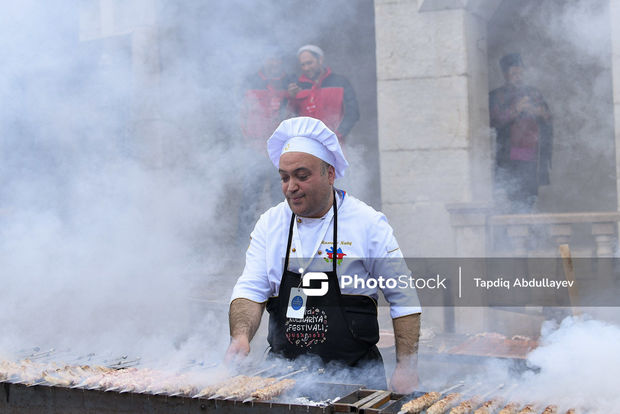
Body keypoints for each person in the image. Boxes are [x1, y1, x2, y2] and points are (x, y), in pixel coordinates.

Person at [226, 116, 421, 393]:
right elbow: (250, 290)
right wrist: (240, 336)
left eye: (302, 176)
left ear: (330, 174)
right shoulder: (270, 224)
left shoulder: (368, 223)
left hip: (357, 381)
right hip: (282, 382)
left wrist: (406, 367)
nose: (291, 186)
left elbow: (403, 297)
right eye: (284, 177)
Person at [236, 51, 291, 246]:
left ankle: (282, 241)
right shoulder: (251, 83)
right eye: (269, 58)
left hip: (280, 153)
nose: (273, 62)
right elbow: (241, 115)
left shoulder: (288, 83)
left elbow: (292, 114)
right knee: (250, 196)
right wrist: (249, 140)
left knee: (282, 197)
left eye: (276, 58)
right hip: (255, 151)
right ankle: (243, 242)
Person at [489, 53, 553, 213]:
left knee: (528, 201)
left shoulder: (533, 93)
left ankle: (527, 227)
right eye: (514, 74)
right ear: (505, 74)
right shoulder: (496, 95)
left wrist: (537, 111)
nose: (518, 77)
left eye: (520, 73)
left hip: (531, 157)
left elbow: (547, 117)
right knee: (508, 200)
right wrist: (516, 109)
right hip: (507, 158)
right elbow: (493, 121)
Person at [287, 45, 360, 142]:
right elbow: (291, 117)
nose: (306, 68)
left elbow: (353, 112)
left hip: (335, 143)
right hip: (307, 144)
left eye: (309, 63)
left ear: (320, 60)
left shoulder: (340, 82)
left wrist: (338, 134)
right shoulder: (297, 86)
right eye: (303, 65)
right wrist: (292, 99)